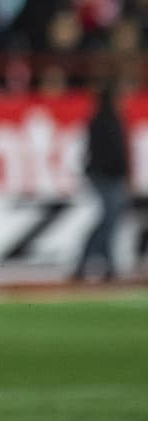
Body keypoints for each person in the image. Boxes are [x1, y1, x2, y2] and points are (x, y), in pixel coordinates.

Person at [75, 81, 131, 282]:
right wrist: (121, 174)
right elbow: (112, 153)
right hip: (107, 177)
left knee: (109, 220)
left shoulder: (102, 119)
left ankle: (101, 264)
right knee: (109, 220)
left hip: (105, 176)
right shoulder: (106, 121)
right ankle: (96, 263)